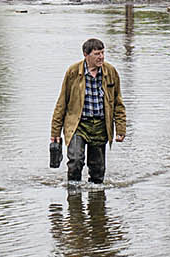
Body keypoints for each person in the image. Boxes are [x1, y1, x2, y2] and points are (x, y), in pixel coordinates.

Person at [50, 37, 126, 184]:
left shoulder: (110, 72)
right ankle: (73, 197)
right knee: (75, 161)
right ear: (86, 54)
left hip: (100, 125)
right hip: (78, 125)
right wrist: (55, 133)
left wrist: (121, 128)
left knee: (98, 170)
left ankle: (96, 200)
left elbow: (118, 103)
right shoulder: (73, 72)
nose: (101, 57)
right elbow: (61, 104)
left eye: (103, 53)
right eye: (97, 54)